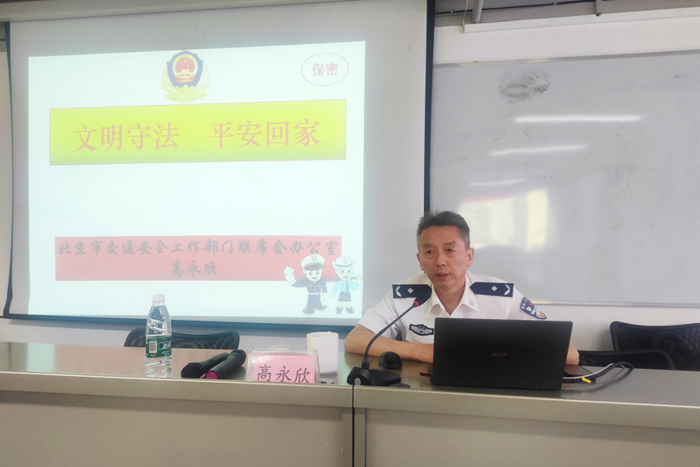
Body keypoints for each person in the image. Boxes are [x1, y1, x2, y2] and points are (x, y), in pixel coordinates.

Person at [344, 211, 579, 365]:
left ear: (469, 256)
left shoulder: (501, 296)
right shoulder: (405, 296)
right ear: (420, 261)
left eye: (450, 250)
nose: (440, 261)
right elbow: (355, 340)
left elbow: (569, 354)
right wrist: (421, 351)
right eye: (429, 252)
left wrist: (497, 355)